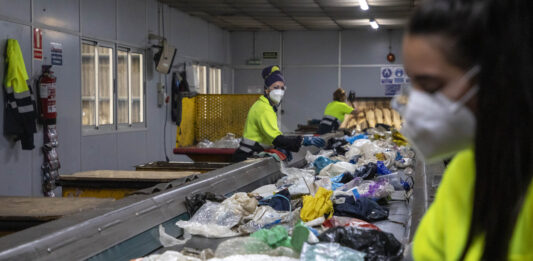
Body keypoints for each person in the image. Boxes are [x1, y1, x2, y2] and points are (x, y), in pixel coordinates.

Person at [397, 0, 533, 260]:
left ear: (497, 78)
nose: (414, 106)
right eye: (412, 83)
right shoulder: (465, 171)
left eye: (431, 86)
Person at [232, 65, 325, 162]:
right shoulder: (263, 108)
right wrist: (302, 140)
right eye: (275, 87)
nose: (279, 91)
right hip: (246, 157)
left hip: (252, 154)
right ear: (266, 89)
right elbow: (275, 138)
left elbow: (270, 136)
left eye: (282, 88)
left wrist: (282, 146)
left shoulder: (268, 106)